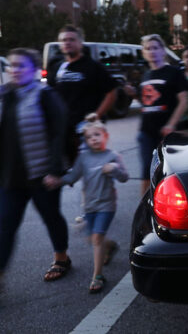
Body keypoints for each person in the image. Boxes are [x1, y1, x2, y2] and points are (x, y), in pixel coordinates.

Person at [0, 48, 70, 284]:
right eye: (11, 66)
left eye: (21, 65)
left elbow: (59, 133)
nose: (15, 70)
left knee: (51, 217)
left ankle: (61, 258)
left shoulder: (45, 94)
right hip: (11, 177)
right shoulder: (5, 96)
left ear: (34, 69)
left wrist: (54, 170)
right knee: (5, 224)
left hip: (42, 174)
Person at [45, 114, 128, 293]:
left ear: (105, 135)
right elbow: (73, 176)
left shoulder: (113, 156)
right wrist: (57, 181)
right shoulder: (83, 158)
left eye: (97, 135)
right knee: (91, 237)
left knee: (96, 238)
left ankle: (97, 276)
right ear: (86, 140)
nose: (93, 139)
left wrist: (114, 169)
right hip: (89, 206)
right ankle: (110, 246)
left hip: (107, 205)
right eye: (89, 137)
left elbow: (124, 177)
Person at [47, 25, 117, 165]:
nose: (67, 43)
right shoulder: (56, 66)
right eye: (64, 40)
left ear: (80, 43)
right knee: (59, 169)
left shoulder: (93, 66)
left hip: (85, 130)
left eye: (72, 39)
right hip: (62, 128)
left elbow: (112, 92)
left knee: (91, 170)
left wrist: (96, 116)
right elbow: (50, 94)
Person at [137, 34, 188, 195]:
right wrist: (133, 94)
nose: (151, 51)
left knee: (168, 171)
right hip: (146, 131)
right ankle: (144, 208)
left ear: (163, 51)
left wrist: (171, 124)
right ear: (143, 53)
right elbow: (147, 102)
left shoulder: (173, 72)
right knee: (146, 169)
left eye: (155, 47)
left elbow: (184, 100)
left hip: (167, 131)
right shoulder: (145, 75)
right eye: (148, 48)